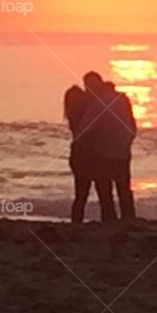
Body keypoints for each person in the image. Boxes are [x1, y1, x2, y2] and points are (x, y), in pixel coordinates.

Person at [80, 71, 138, 220]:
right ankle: (128, 218)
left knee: (105, 190)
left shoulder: (98, 104)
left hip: (103, 152)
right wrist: (128, 141)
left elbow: (84, 129)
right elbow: (132, 125)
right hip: (123, 151)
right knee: (124, 188)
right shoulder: (123, 99)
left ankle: (109, 219)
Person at [64, 85, 117, 223]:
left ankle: (76, 222)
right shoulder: (84, 115)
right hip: (92, 157)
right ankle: (109, 220)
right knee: (104, 191)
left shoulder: (73, 115)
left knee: (81, 194)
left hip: (79, 157)